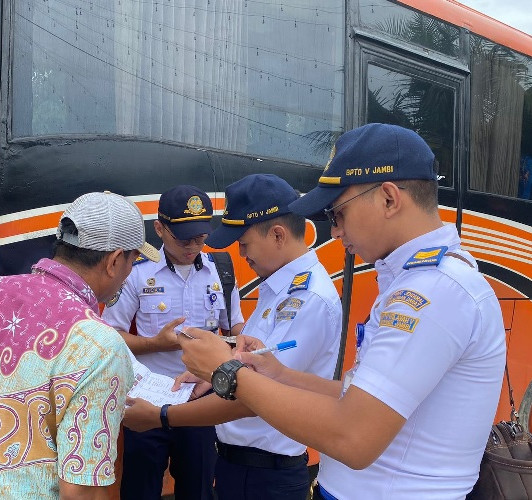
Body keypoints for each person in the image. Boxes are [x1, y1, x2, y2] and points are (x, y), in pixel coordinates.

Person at [177, 124, 507, 499]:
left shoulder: (432, 291)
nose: (335, 232)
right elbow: (357, 397)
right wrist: (279, 373)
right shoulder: (418, 282)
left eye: (337, 213)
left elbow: (353, 436)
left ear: (388, 198)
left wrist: (228, 372)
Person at [0, 191, 160, 499]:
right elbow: (81, 491)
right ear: (115, 260)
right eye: (133, 261)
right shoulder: (100, 345)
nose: (129, 273)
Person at [123, 174, 341, 500]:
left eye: (244, 243)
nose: (242, 254)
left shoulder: (307, 299)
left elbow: (253, 398)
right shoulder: (276, 288)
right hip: (239, 465)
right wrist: (212, 375)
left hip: (266, 474)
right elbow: (254, 364)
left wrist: (162, 416)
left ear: (278, 235)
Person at [101, 185, 244, 500]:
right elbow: (110, 337)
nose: (193, 246)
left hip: (200, 400)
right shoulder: (136, 273)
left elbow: (236, 332)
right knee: (141, 489)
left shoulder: (221, 270)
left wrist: (227, 354)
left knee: (199, 489)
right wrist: (155, 344)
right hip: (148, 399)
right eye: (183, 238)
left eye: (200, 237)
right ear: (159, 229)